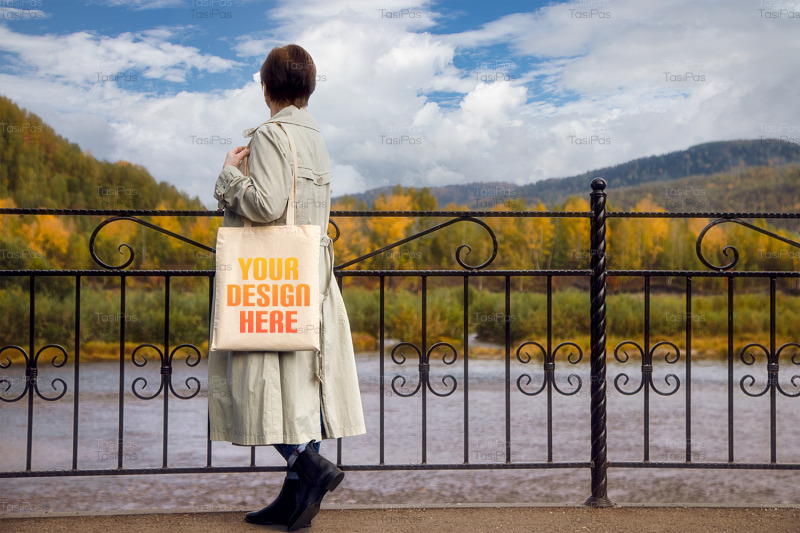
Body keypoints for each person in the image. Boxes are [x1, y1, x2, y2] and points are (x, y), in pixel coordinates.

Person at [208, 44, 366, 531]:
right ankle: (296, 502)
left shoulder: (273, 135)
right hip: (308, 273)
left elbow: (268, 204)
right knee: (301, 384)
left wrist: (230, 177)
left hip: (269, 278)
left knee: (255, 383)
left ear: (266, 86)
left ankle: (309, 465)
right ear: (309, 88)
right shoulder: (315, 138)